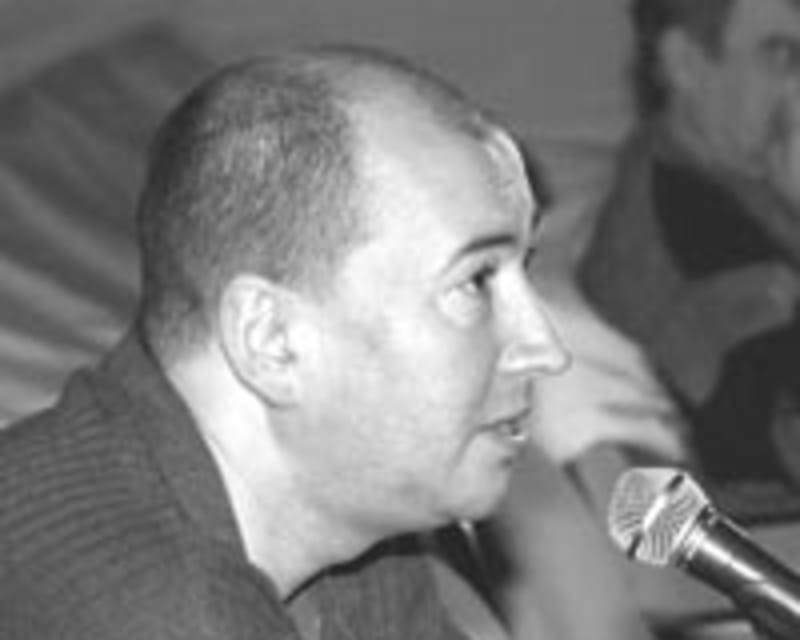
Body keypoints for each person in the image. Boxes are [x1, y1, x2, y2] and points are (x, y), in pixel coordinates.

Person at [0, 45, 569, 638]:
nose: (546, 347)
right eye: (475, 282)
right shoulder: (157, 614)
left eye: (524, 269)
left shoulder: (349, 524)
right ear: (272, 341)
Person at [577, 0, 800, 495]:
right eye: (781, 55)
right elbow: (771, 440)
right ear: (685, 62)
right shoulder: (705, 249)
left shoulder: (728, 173)